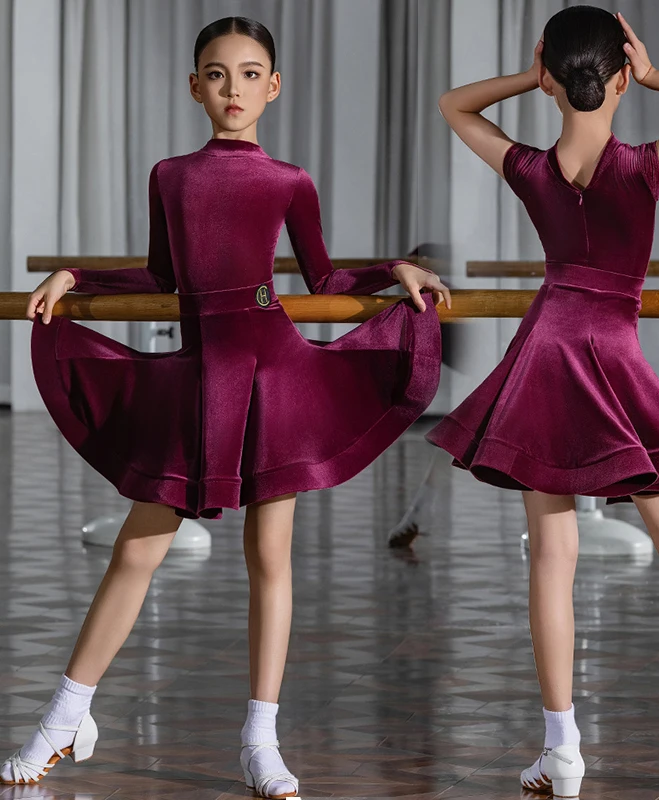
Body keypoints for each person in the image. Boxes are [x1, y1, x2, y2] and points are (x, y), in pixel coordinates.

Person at [2, 16, 449, 799]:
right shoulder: (171, 174)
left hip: (273, 374)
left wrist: (394, 270)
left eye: (249, 74)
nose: (233, 89)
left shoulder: (289, 180)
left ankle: (261, 740)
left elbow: (325, 282)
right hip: (200, 374)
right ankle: (62, 719)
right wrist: (75, 275)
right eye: (216, 74)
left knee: (269, 557)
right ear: (194, 86)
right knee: (138, 551)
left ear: (272, 87)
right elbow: (161, 274)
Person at [424, 6, 659, 796]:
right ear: (622, 76)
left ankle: (562, 749)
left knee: (551, 558)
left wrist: (527, 78)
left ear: (551, 79)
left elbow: (455, 104)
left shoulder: (529, 169)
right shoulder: (645, 167)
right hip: (611, 353)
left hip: (547, 350)